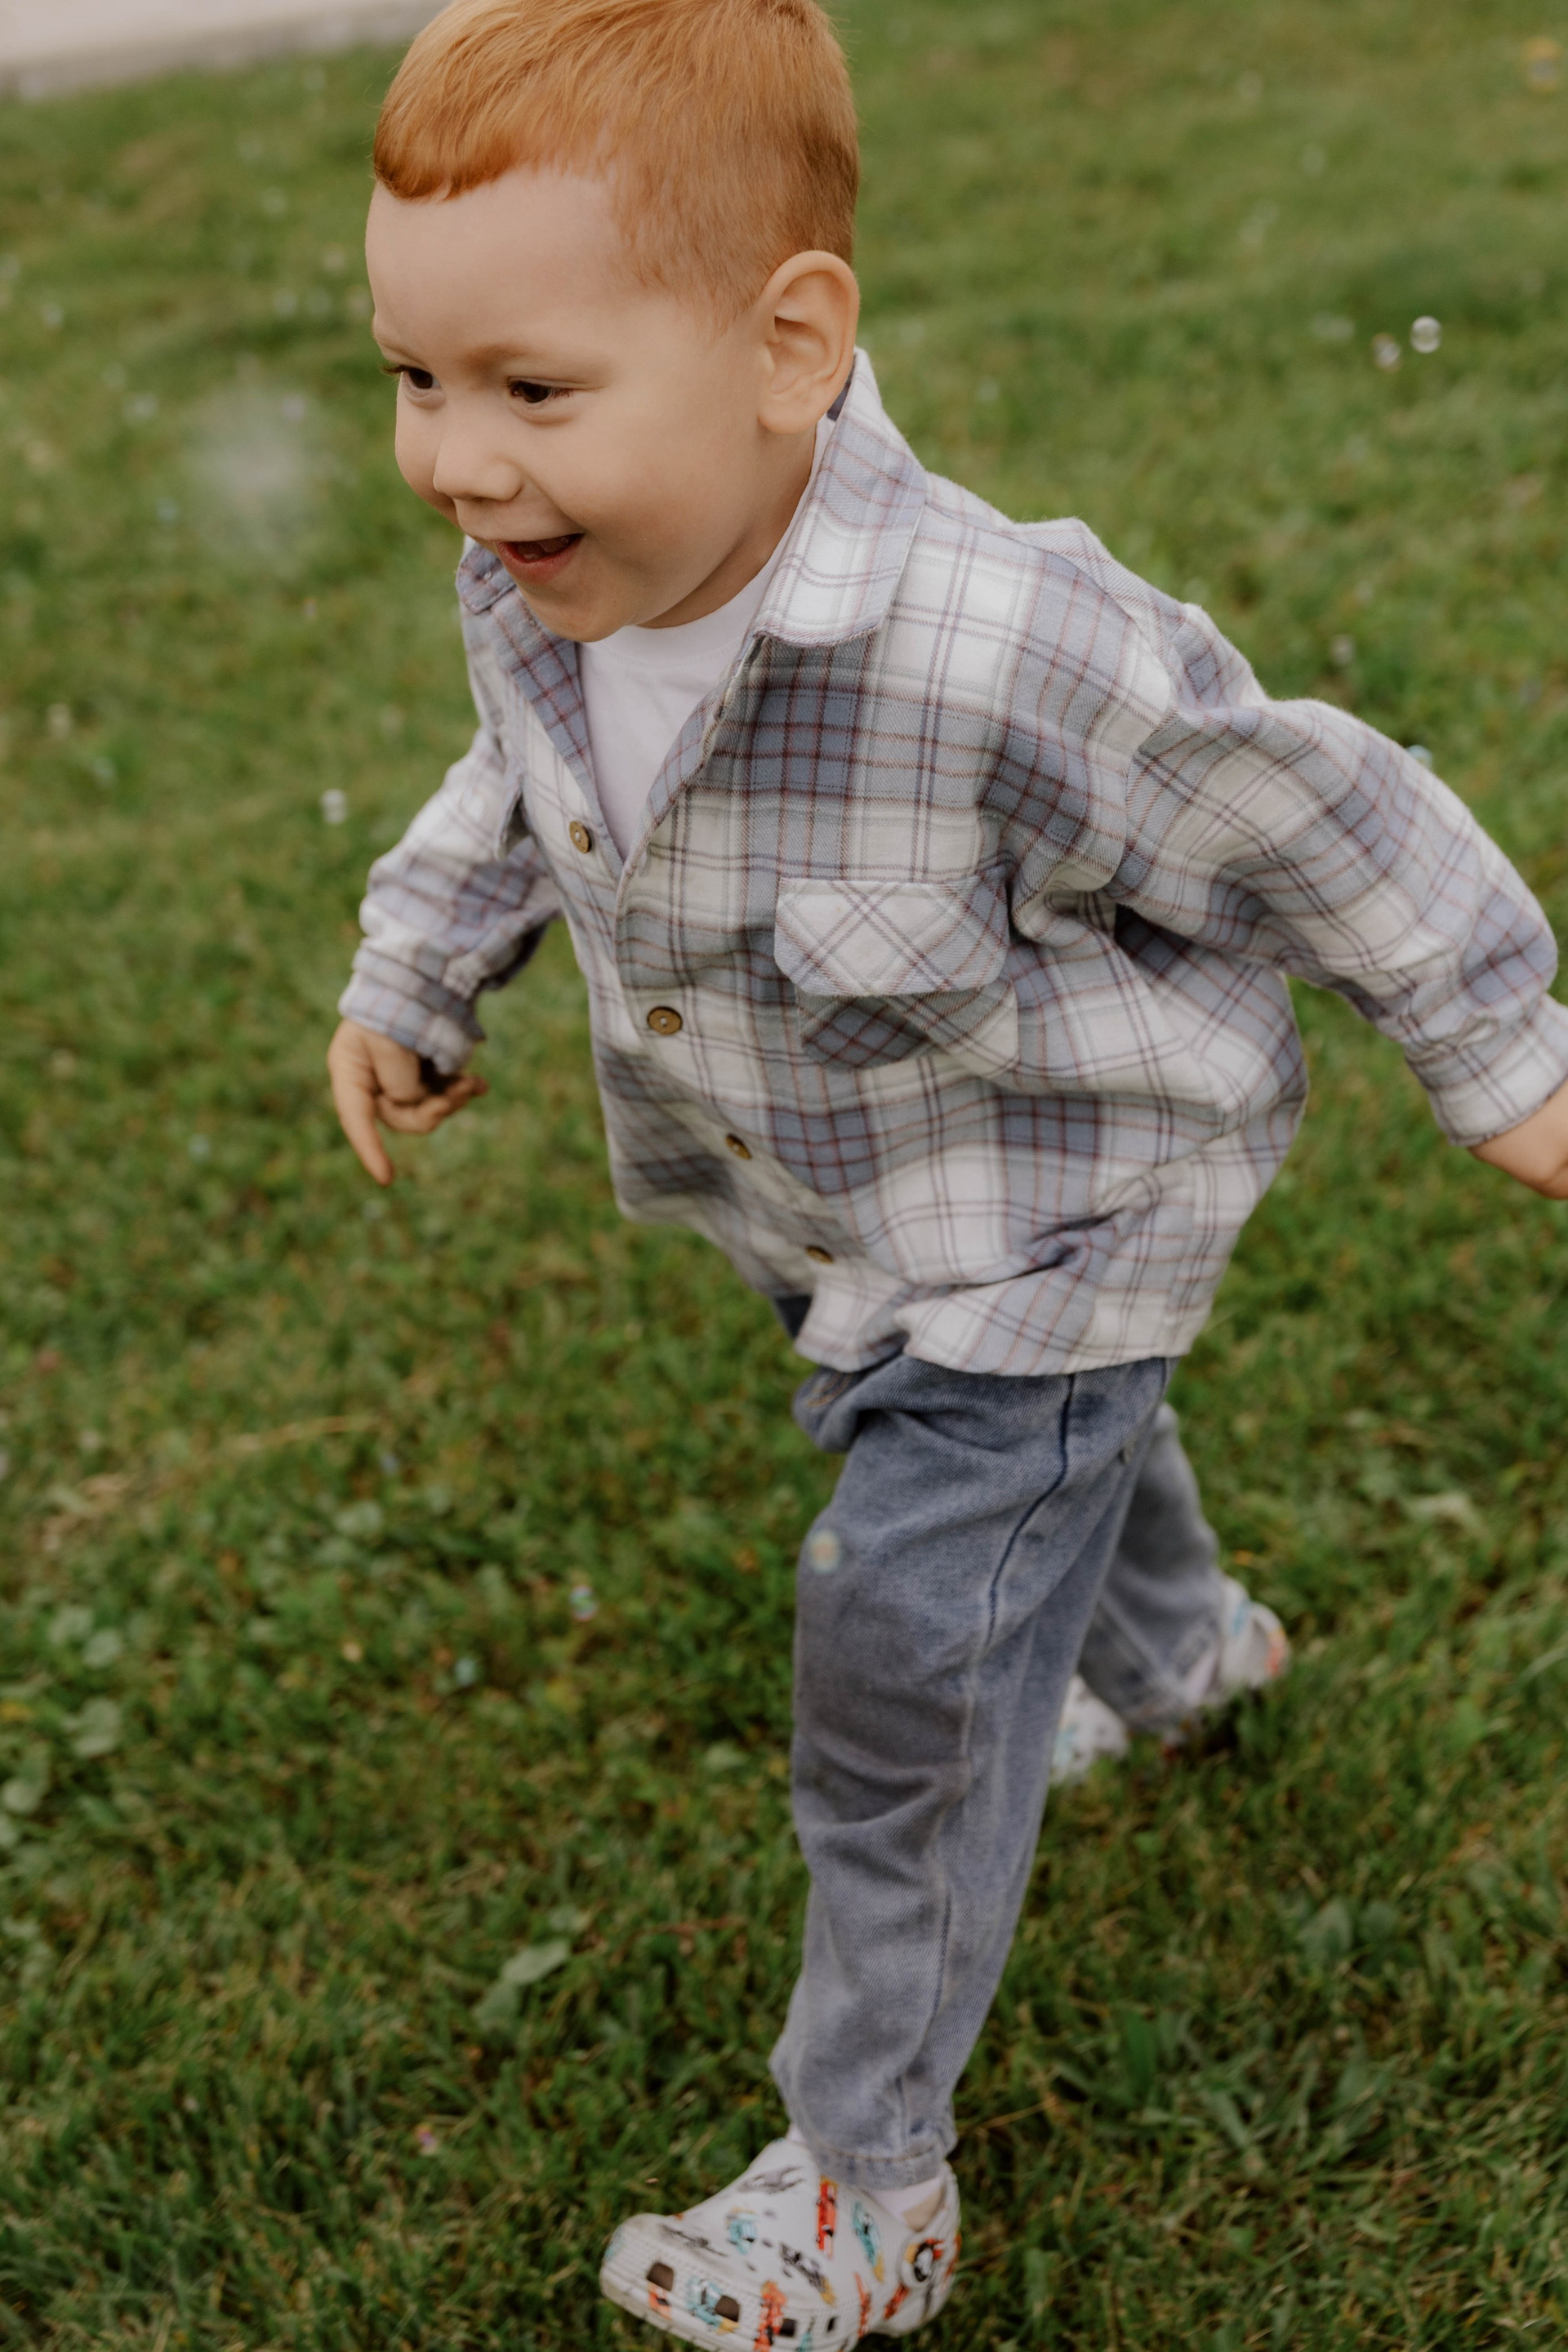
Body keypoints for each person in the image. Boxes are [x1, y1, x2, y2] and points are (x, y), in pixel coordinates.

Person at [326, 0, 1568, 2338]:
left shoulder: (1003, 644)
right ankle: (1184, 1653)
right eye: (414, 380)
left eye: (530, 387)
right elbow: (519, 775)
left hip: (1060, 1210)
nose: (458, 464)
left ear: (790, 345)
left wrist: (1507, 1059)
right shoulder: (555, 576)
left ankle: (866, 2183)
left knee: (907, 1662)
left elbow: (1314, 805)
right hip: (843, 1195)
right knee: (1047, 1462)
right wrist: (421, 965)